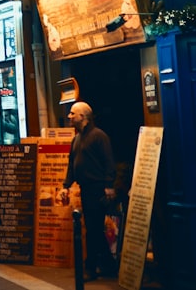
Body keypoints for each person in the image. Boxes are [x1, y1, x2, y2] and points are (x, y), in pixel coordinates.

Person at [61, 101, 117, 280]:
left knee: (92, 229)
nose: (69, 117)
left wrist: (109, 184)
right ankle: (108, 265)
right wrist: (65, 186)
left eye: (72, 114)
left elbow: (109, 161)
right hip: (86, 188)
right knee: (93, 229)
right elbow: (72, 165)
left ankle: (91, 267)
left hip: (97, 188)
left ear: (82, 117)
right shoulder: (77, 139)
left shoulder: (99, 136)